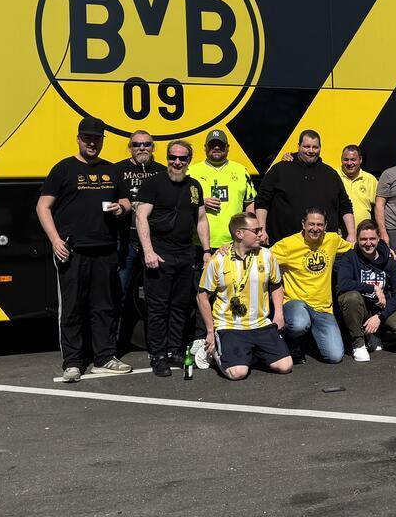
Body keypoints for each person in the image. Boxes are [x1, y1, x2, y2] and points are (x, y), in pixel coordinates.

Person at [36, 117, 129, 382]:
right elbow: (43, 207)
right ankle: (73, 363)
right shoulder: (63, 169)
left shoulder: (112, 170)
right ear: (78, 138)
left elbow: (126, 202)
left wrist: (121, 208)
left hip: (105, 249)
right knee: (72, 308)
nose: (92, 142)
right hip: (73, 250)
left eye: (97, 138)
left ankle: (104, 358)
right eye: (87, 138)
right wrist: (55, 241)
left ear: (101, 141)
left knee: (104, 307)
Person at [135, 140, 210, 376]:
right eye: (172, 157)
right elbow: (141, 217)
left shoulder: (195, 186)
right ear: (167, 158)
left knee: (180, 306)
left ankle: (175, 350)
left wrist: (206, 252)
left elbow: (201, 220)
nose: (177, 162)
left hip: (185, 253)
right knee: (158, 308)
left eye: (182, 158)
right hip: (159, 253)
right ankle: (157, 355)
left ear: (189, 161)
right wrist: (148, 251)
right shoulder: (153, 183)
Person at [196, 214, 293, 381]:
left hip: (260, 324)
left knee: (285, 366)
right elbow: (202, 295)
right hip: (230, 326)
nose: (261, 234)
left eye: (261, 230)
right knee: (237, 373)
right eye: (256, 230)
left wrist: (279, 314)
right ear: (239, 234)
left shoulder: (267, 255)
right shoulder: (219, 259)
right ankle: (213, 351)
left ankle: (248, 352)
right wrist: (210, 331)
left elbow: (276, 285)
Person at [272, 207, 351, 364]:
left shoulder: (333, 240)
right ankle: (290, 341)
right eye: (311, 224)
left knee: (335, 356)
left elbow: (357, 247)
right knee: (300, 324)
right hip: (295, 304)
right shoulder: (288, 245)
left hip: (323, 308)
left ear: (325, 225)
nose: (315, 229)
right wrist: (229, 248)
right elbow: (262, 257)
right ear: (303, 224)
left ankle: (308, 340)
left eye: (319, 225)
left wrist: (385, 249)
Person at [334, 220, 396, 361]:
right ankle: (358, 343)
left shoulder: (389, 261)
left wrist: (380, 317)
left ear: (378, 238)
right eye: (363, 239)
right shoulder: (350, 257)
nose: (368, 243)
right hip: (359, 307)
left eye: (372, 239)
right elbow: (342, 284)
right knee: (351, 297)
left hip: (380, 309)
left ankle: (374, 335)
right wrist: (373, 287)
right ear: (357, 241)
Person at [256, 130, 355, 245]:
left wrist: (351, 234)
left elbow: (345, 205)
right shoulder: (279, 170)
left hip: (323, 248)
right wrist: (261, 230)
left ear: (320, 148)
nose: (311, 151)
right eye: (307, 147)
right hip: (285, 246)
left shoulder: (331, 174)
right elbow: (262, 201)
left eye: (315, 147)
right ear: (298, 147)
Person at [112, 130, 160, 355]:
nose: (142, 148)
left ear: (153, 147)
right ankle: (112, 346)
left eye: (147, 144)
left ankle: (157, 344)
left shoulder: (162, 171)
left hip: (154, 243)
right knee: (118, 293)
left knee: (155, 295)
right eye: (137, 144)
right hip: (126, 242)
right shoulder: (117, 170)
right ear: (130, 147)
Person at [189, 128, 256, 252]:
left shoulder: (241, 170)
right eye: (212, 145)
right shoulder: (191, 172)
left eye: (220, 144)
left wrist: (251, 232)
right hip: (200, 243)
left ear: (228, 147)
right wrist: (201, 202)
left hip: (235, 241)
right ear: (205, 147)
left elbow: (250, 203)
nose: (216, 148)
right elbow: (179, 203)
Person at [337, 145, 377, 238]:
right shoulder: (334, 176)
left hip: (364, 236)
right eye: (346, 159)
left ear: (360, 160)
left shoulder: (370, 179)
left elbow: (379, 208)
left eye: (353, 159)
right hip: (339, 235)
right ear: (341, 160)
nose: (349, 163)